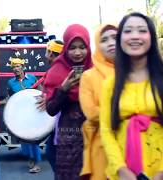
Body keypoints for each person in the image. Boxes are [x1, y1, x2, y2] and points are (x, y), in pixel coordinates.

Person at [100, 12, 163, 180]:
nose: (135, 36)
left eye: (142, 30)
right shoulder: (110, 85)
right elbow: (106, 130)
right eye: (128, 31)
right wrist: (121, 169)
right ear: (120, 39)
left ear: (151, 37)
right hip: (123, 171)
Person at [45, 24, 92, 180]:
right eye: (72, 48)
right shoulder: (57, 71)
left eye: (82, 47)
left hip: (95, 137)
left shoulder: (96, 69)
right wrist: (63, 89)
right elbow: (50, 109)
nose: (78, 52)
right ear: (66, 48)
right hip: (68, 141)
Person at [79, 24, 117, 180]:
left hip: (134, 142)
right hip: (101, 145)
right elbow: (91, 113)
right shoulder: (89, 77)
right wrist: (126, 113)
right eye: (104, 40)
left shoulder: (135, 72)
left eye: (115, 37)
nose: (111, 43)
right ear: (97, 45)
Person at [5, 58, 42, 173]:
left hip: (33, 113)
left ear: (23, 67)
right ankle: (30, 157)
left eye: (17, 66)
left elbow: (40, 92)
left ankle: (36, 162)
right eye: (13, 67)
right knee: (24, 138)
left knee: (33, 138)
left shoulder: (32, 78)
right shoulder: (11, 83)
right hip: (20, 114)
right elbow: (10, 98)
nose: (15, 69)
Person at [36, 39, 63, 172]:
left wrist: (48, 98)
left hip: (63, 121)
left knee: (54, 154)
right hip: (57, 120)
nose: (46, 55)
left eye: (47, 52)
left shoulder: (58, 71)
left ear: (51, 53)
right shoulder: (58, 69)